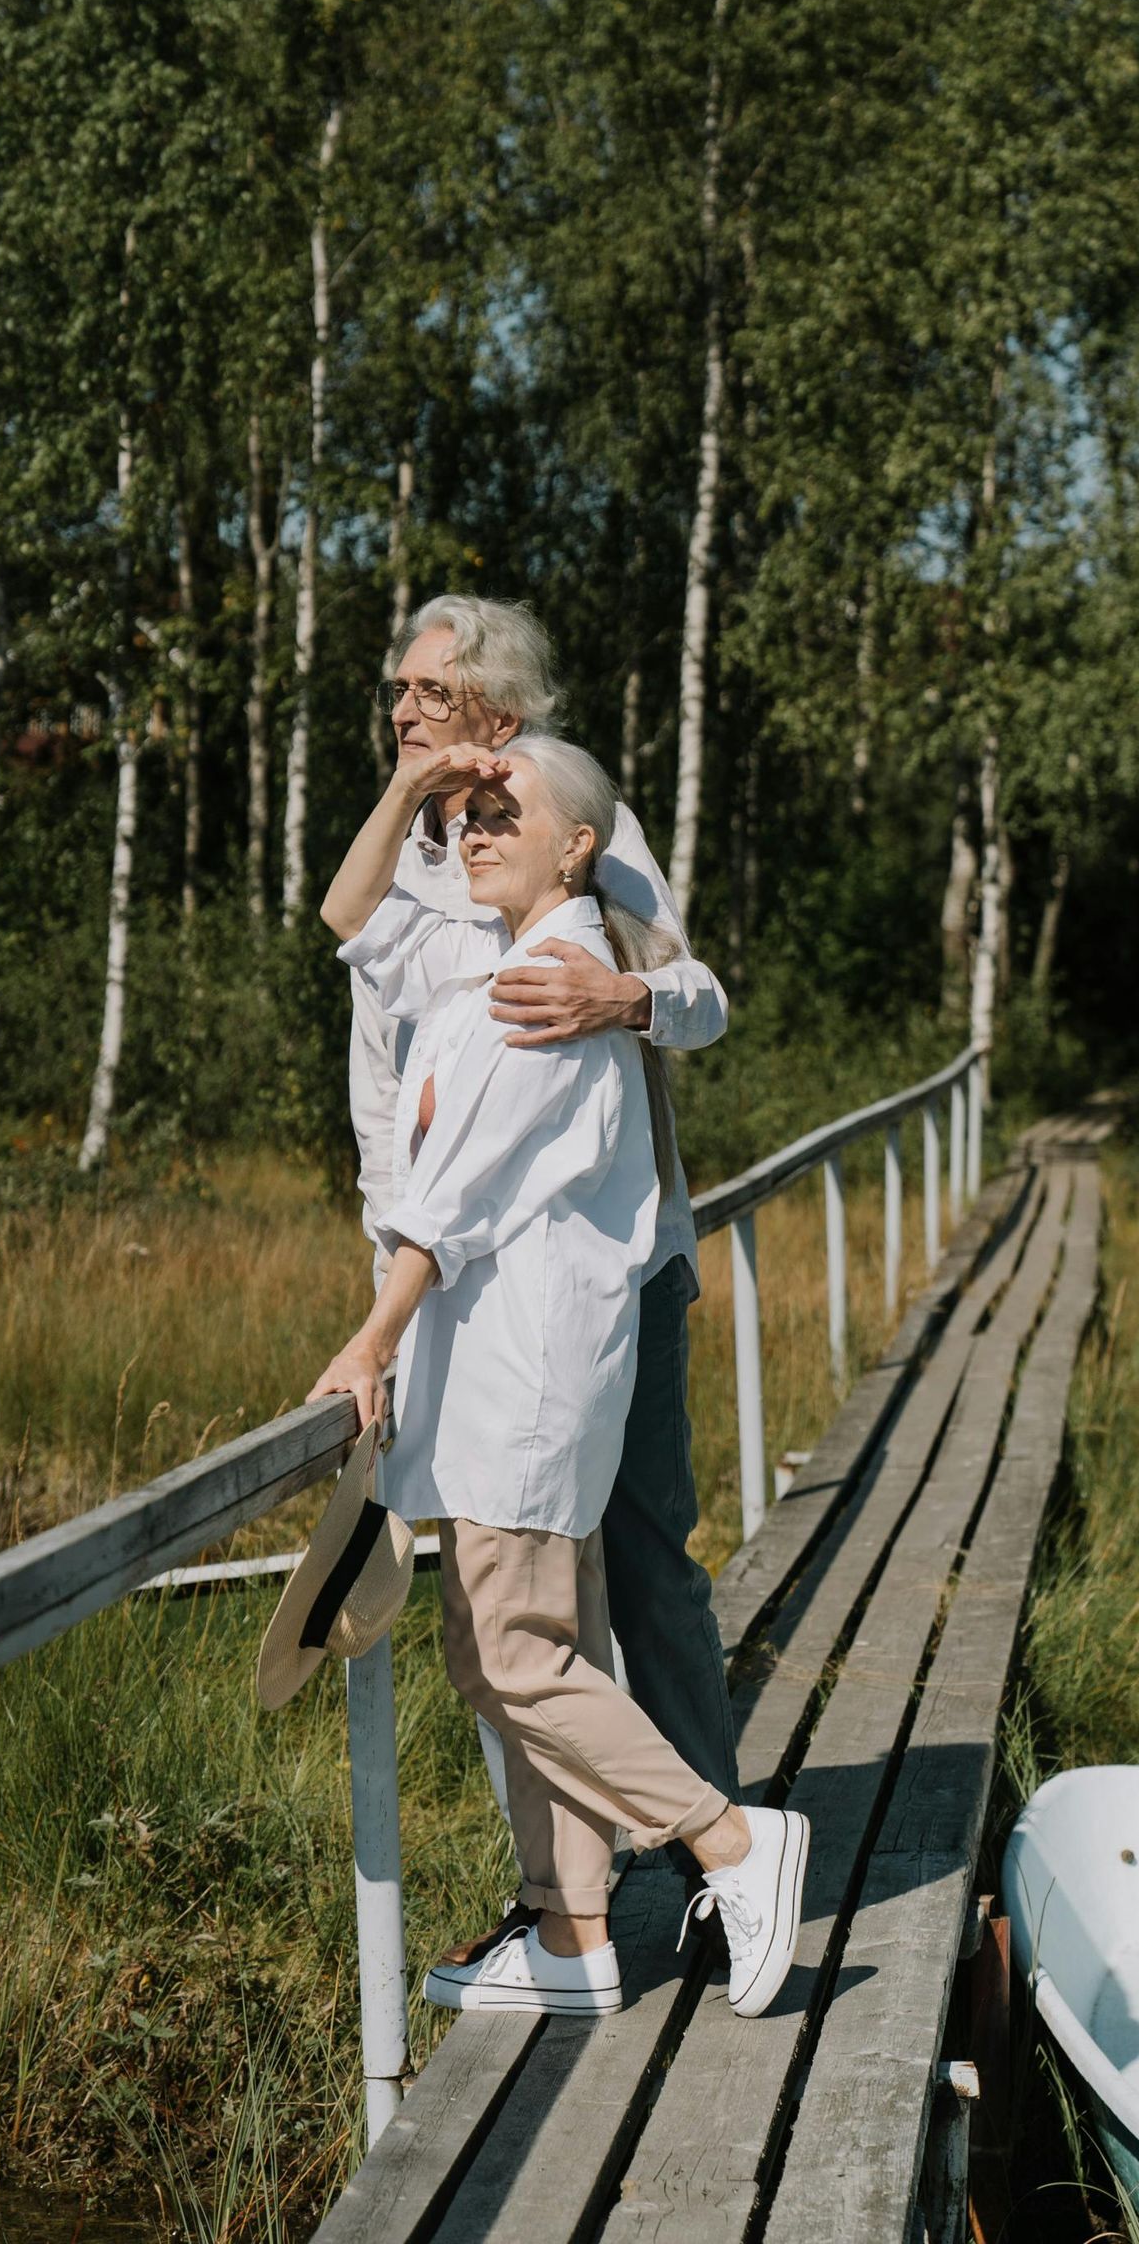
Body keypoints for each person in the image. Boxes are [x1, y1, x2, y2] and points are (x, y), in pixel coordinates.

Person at [312, 735, 808, 2017]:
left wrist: (370, 1338)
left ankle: (729, 1841)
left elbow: (452, 1196)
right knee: (532, 1649)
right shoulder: (512, 959)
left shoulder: (554, 978)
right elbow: (353, 924)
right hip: (515, 1369)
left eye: (497, 813)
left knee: (515, 1660)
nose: (471, 830)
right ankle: (574, 1935)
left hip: (525, 1372)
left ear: (577, 844)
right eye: (462, 813)